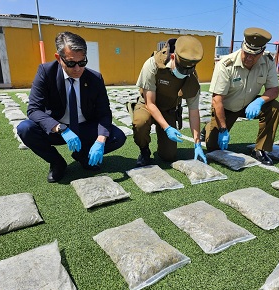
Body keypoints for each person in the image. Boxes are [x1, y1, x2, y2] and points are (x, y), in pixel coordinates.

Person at [17, 31, 126, 182]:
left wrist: (100, 140)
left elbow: (104, 112)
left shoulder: (95, 78)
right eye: (71, 63)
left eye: (82, 62)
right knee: (25, 129)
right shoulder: (46, 73)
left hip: (84, 127)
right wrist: (60, 128)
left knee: (117, 137)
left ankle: (83, 155)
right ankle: (57, 163)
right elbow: (33, 109)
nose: (77, 69)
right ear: (58, 58)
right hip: (58, 129)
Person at [202, 27, 279, 165]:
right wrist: (223, 129)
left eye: (254, 55)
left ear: (262, 52)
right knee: (213, 147)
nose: (249, 58)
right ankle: (208, 127)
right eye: (247, 53)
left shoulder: (267, 62)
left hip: (249, 105)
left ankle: (261, 149)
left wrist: (259, 102)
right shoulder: (226, 64)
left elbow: (274, 90)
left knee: (274, 107)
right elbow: (217, 100)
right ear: (242, 47)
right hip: (226, 108)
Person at [132, 35, 207, 167]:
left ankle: (163, 147)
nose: (184, 73)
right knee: (140, 123)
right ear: (173, 57)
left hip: (169, 109)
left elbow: (194, 112)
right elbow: (150, 103)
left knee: (169, 156)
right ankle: (144, 151)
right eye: (181, 69)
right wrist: (167, 128)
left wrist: (197, 143)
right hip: (147, 104)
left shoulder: (191, 78)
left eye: (188, 70)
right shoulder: (153, 64)